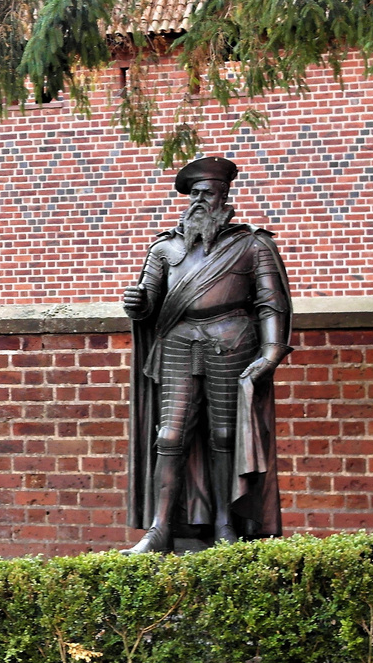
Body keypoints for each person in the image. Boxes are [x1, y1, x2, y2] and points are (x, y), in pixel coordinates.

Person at [121, 156, 292, 552]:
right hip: (178, 343)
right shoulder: (164, 248)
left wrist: (270, 353)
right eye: (193, 193)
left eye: (207, 193)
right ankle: (160, 528)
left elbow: (271, 303)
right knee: (170, 434)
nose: (198, 200)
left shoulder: (252, 245)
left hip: (232, 341)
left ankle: (223, 523)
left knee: (224, 435)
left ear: (224, 196)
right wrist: (137, 304)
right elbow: (148, 301)